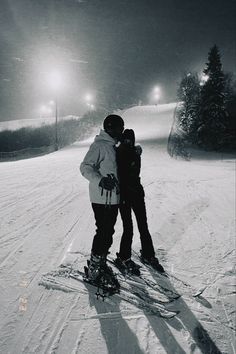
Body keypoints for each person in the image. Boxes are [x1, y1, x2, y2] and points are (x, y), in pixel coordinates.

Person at [80, 114, 124, 287]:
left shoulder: (113, 145)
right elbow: (84, 167)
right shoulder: (99, 145)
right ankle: (94, 269)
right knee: (103, 232)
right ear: (111, 128)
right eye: (119, 128)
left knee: (108, 232)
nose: (121, 131)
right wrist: (100, 180)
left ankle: (100, 262)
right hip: (101, 198)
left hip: (112, 198)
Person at [115, 129, 164, 274]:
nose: (128, 142)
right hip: (123, 196)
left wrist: (135, 151)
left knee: (143, 225)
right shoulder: (118, 153)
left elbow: (134, 172)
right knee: (128, 227)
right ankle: (124, 257)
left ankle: (148, 254)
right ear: (122, 140)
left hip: (136, 194)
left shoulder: (135, 153)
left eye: (130, 140)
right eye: (126, 140)